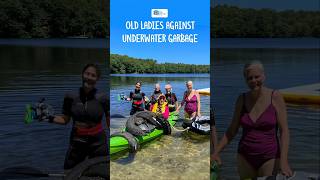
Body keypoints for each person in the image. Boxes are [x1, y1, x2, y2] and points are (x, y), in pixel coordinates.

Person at [212, 61, 292, 179]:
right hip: (244, 157)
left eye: (257, 77)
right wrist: (216, 153)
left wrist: (284, 162)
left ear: (263, 76)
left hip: (269, 157)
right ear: (246, 80)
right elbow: (231, 131)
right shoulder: (242, 99)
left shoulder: (275, 96)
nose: (254, 81)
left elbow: (284, 131)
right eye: (250, 78)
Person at [44, 64, 107, 171]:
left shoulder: (103, 98)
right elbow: (65, 120)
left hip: (98, 142)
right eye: (87, 74)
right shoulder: (70, 97)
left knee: (101, 171)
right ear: (82, 75)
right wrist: (48, 117)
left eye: (93, 75)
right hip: (77, 140)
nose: (89, 77)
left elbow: (109, 122)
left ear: (97, 79)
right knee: (69, 172)